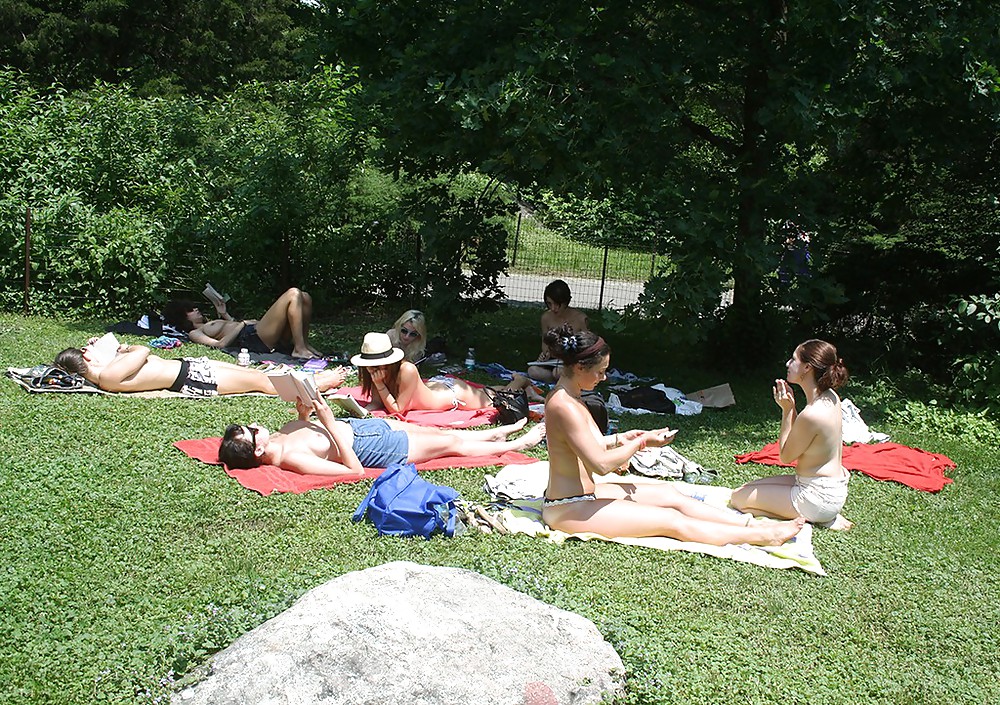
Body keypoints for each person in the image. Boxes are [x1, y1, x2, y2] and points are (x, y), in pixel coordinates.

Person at [541, 324, 806, 546]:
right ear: (579, 368)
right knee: (670, 520)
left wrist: (621, 439)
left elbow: (583, 445)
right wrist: (641, 442)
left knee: (668, 494)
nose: (605, 377)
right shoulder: (563, 405)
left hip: (586, 495)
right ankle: (761, 536)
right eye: (600, 372)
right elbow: (599, 464)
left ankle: (745, 522)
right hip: (568, 507)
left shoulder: (573, 396)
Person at [218, 395, 546, 475]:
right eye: (252, 432)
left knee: (438, 431)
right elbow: (353, 472)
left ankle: (500, 431)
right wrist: (330, 423)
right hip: (371, 447)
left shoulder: (276, 439)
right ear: (257, 451)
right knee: (449, 445)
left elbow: (306, 429)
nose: (257, 426)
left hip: (364, 428)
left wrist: (305, 413)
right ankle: (519, 442)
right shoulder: (291, 459)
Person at [731, 340, 853, 530]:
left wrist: (787, 411)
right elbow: (802, 435)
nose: (788, 364)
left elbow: (786, 456)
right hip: (824, 487)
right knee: (746, 488)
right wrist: (792, 408)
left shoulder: (813, 414)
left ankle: (815, 518)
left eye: (793, 359)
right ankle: (820, 514)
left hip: (817, 496)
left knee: (738, 499)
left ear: (806, 367)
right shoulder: (830, 396)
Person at [53, 340, 346, 396]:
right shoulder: (107, 375)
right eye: (87, 349)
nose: (90, 348)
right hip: (193, 377)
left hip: (190, 369)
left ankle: (314, 378)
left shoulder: (106, 373)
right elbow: (142, 350)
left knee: (259, 375)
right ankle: (322, 382)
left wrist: (111, 350)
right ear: (86, 359)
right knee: (262, 383)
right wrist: (120, 349)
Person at [353, 332, 539, 414]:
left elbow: (398, 409)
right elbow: (377, 403)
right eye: (369, 365)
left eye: (377, 365)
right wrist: (358, 411)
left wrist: (379, 385)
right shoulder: (375, 371)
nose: (371, 370)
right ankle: (525, 386)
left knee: (498, 399)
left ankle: (521, 381)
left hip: (452, 394)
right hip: (438, 387)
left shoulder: (406, 369)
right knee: (487, 391)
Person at [163, 287, 322, 359]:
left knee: (305, 297)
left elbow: (231, 326)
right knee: (293, 293)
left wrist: (224, 313)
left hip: (253, 331)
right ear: (183, 318)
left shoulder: (211, 321)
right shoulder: (194, 333)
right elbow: (220, 344)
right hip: (252, 338)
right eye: (190, 310)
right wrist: (243, 324)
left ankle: (303, 345)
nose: (195, 309)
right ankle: (299, 348)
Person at [527, 280, 590, 382]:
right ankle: (563, 379)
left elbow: (587, 346)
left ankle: (563, 378)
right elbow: (545, 343)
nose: (553, 308)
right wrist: (545, 355)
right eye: (549, 304)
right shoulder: (546, 318)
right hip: (553, 361)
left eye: (557, 304)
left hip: (573, 362)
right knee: (532, 371)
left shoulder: (581, 319)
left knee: (559, 371)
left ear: (565, 302)